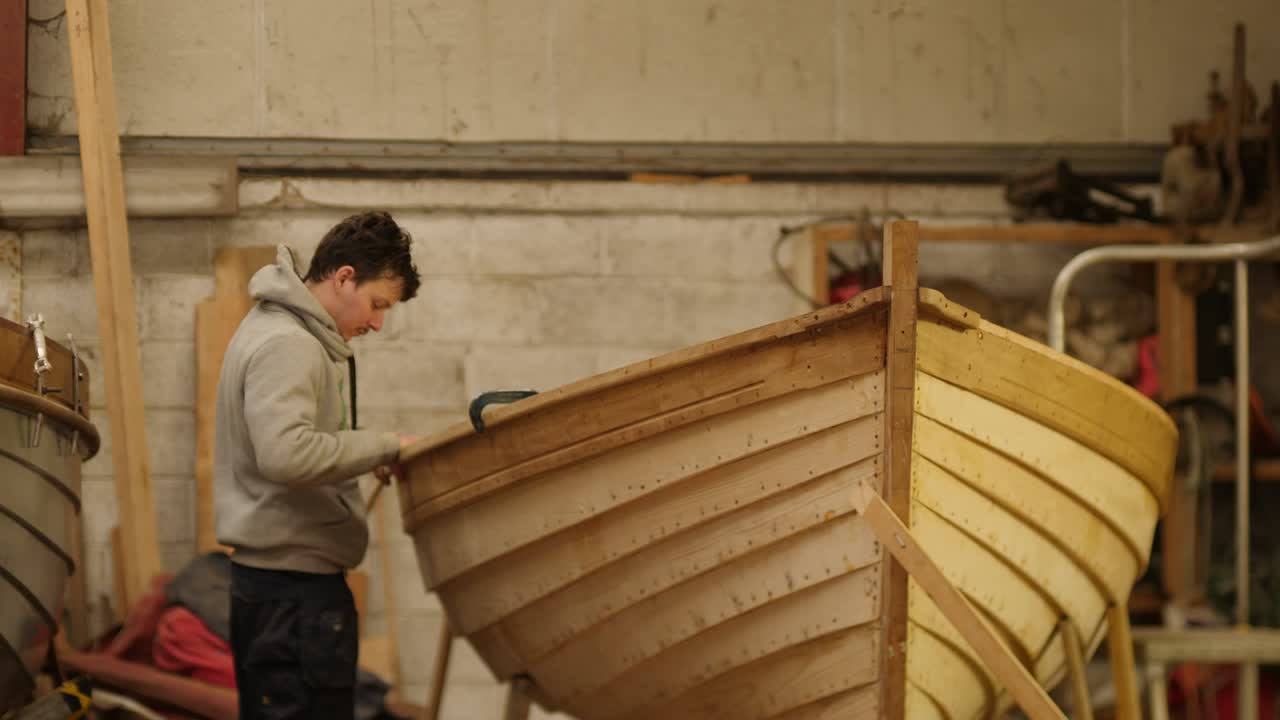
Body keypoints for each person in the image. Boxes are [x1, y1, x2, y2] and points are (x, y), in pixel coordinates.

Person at [213, 210, 421, 719]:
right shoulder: (288, 343)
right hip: (292, 600)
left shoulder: (278, 330)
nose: (376, 322)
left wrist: (353, 456)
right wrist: (383, 445)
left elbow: (297, 446)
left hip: (282, 597)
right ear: (344, 277)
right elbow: (286, 454)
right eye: (376, 305)